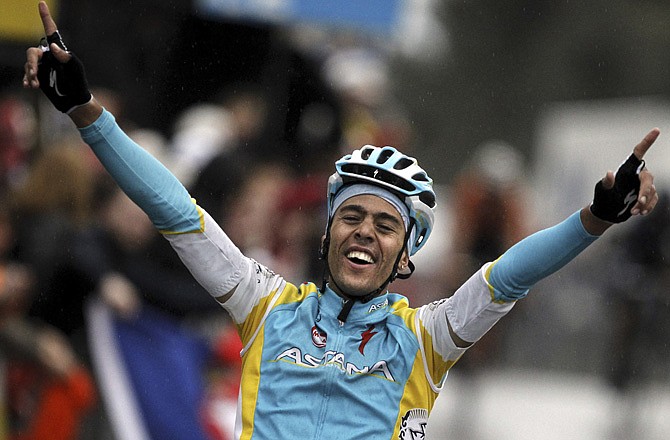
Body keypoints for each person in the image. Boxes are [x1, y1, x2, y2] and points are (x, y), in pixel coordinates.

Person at [22, 2, 661, 439]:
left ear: (406, 256)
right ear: (326, 232)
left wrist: (593, 220)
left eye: (386, 227)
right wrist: (85, 111)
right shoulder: (264, 305)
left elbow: (507, 278)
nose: (364, 231)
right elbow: (173, 210)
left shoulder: (428, 338)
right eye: (350, 216)